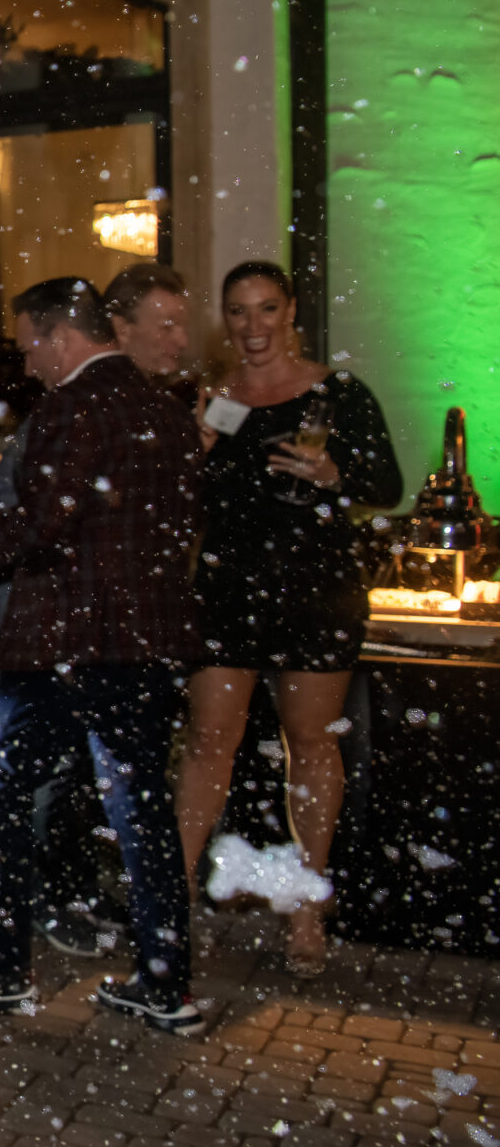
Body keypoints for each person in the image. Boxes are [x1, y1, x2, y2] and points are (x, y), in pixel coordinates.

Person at [0, 276, 204, 1035]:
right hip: (145, 643)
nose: (26, 357)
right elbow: (169, 529)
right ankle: (165, 981)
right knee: (140, 805)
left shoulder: (73, 409)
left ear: (62, 337)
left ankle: (2, 964)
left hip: (72, 643)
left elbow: (45, 525)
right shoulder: (167, 412)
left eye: (31, 341)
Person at [173, 260, 401, 974]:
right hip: (229, 589)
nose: (253, 326)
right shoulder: (214, 401)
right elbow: (180, 503)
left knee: (310, 745)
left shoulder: (338, 395)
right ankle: (170, 898)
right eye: (238, 311)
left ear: (291, 310)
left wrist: (334, 476)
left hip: (314, 589)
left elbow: (387, 485)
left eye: (266, 308)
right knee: (209, 741)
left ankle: (306, 907)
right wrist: (193, 453)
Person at [104, 261, 194, 388]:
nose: (183, 342)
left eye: (184, 328)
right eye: (167, 327)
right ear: (122, 329)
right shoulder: (100, 395)